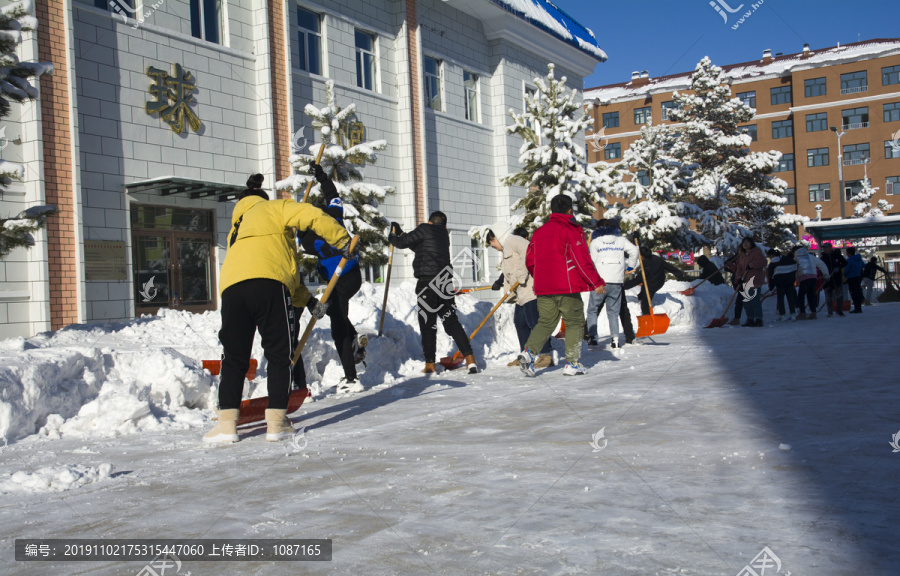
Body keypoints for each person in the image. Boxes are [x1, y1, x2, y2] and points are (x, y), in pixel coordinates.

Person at [204, 174, 352, 444]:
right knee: (279, 354)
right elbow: (310, 215)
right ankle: (276, 423)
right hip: (270, 288)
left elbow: (286, 270)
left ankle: (226, 424)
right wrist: (341, 239)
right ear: (263, 200)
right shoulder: (273, 208)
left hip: (232, 291)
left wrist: (308, 302)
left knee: (234, 357)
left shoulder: (235, 230)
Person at [297, 163, 367, 394]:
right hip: (352, 274)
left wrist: (297, 227)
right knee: (334, 311)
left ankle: (351, 378)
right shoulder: (333, 216)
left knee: (337, 327)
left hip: (339, 279)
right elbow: (333, 196)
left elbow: (297, 238)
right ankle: (355, 340)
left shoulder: (308, 239)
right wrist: (322, 177)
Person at [517, 194, 605, 376]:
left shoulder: (539, 232)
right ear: (569, 210)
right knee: (574, 322)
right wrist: (596, 281)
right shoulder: (571, 229)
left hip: (543, 287)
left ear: (551, 210)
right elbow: (581, 259)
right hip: (567, 287)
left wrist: (541, 276)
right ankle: (572, 363)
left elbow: (530, 260)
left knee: (545, 323)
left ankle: (528, 353)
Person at [390, 211, 477, 374]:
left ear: (429, 222)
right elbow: (416, 245)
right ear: (443, 225)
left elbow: (402, 243)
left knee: (428, 324)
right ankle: (470, 358)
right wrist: (401, 233)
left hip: (427, 284)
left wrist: (392, 236)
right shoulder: (443, 235)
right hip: (444, 283)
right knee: (452, 322)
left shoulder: (424, 229)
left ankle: (430, 364)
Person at [486, 222, 554, 368]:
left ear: (498, 236)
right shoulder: (506, 250)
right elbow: (509, 272)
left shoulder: (513, 240)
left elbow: (530, 251)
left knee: (534, 322)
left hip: (530, 288)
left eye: (492, 240)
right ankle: (525, 356)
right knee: (520, 323)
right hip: (520, 294)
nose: (492, 245)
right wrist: (501, 283)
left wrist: (522, 274)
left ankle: (546, 355)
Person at [586, 219, 638, 348]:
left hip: (600, 281)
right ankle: (615, 339)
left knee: (593, 310)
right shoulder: (621, 240)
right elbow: (634, 251)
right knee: (613, 312)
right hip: (616, 280)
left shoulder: (596, 242)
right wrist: (630, 266)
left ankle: (592, 337)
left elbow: (592, 261)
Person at [620, 245, 685, 341]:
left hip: (652, 285)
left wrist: (623, 287)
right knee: (643, 293)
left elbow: (637, 280)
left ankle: (647, 320)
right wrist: (678, 272)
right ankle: (641, 296)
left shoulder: (645, 266)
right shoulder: (656, 259)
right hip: (660, 281)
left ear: (642, 256)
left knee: (645, 301)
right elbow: (668, 266)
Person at [728, 237, 766, 327]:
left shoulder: (756, 252)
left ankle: (758, 319)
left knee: (754, 300)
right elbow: (740, 268)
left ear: (751, 243)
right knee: (746, 301)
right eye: (744, 242)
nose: (745, 244)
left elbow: (763, 261)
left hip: (754, 280)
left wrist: (752, 265)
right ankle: (750, 318)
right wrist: (739, 277)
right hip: (745, 281)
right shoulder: (743, 255)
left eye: (747, 242)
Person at [792, 244, 829, 320]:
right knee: (811, 295)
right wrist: (826, 274)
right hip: (813, 278)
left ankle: (802, 313)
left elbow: (795, 270)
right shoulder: (811, 256)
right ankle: (813, 313)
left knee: (801, 297)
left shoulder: (796, 258)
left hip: (804, 279)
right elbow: (821, 264)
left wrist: (797, 280)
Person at [767, 249, 798, 321]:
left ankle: (782, 315)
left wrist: (771, 286)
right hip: (790, 281)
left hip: (780, 282)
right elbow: (795, 266)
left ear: (771, 255)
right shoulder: (786, 259)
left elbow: (770, 275)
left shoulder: (773, 262)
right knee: (790, 298)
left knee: (780, 299)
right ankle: (793, 314)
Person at [820, 243, 847, 317]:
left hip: (837, 278)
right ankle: (830, 311)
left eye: (826, 247)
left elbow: (845, 263)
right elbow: (820, 267)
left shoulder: (837, 255)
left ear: (830, 248)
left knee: (839, 295)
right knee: (828, 296)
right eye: (823, 248)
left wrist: (839, 267)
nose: (824, 249)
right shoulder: (823, 258)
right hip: (827, 279)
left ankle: (839, 310)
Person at [843, 246, 865, 313]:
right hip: (858, 277)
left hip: (851, 278)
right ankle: (859, 307)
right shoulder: (859, 259)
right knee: (857, 292)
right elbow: (863, 265)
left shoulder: (849, 260)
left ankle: (856, 308)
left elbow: (846, 269)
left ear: (849, 253)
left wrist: (844, 275)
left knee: (853, 293)